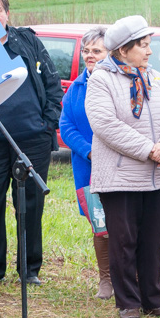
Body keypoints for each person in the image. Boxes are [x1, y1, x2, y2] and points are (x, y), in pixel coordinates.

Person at [85, 15, 160, 318]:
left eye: (149, 44)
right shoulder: (102, 79)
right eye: (143, 45)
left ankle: (154, 300)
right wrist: (147, 149)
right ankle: (128, 302)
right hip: (120, 176)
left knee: (153, 239)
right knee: (124, 241)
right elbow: (105, 124)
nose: (149, 51)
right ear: (123, 50)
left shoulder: (155, 77)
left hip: (155, 174)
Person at [0, 0, 62, 286]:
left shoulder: (28, 41)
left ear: (7, 13)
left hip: (31, 139)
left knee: (30, 206)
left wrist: (47, 124)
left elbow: (52, 84)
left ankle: (29, 270)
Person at [59, 26, 113, 300]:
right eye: (87, 51)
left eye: (97, 51)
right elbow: (66, 125)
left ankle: (131, 277)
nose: (90, 56)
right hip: (88, 165)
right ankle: (106, 280)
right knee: (100, 224)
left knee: (125, 224)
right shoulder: (77, 88)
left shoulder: (119, 82)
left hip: (119, 166)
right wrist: (89, 151)